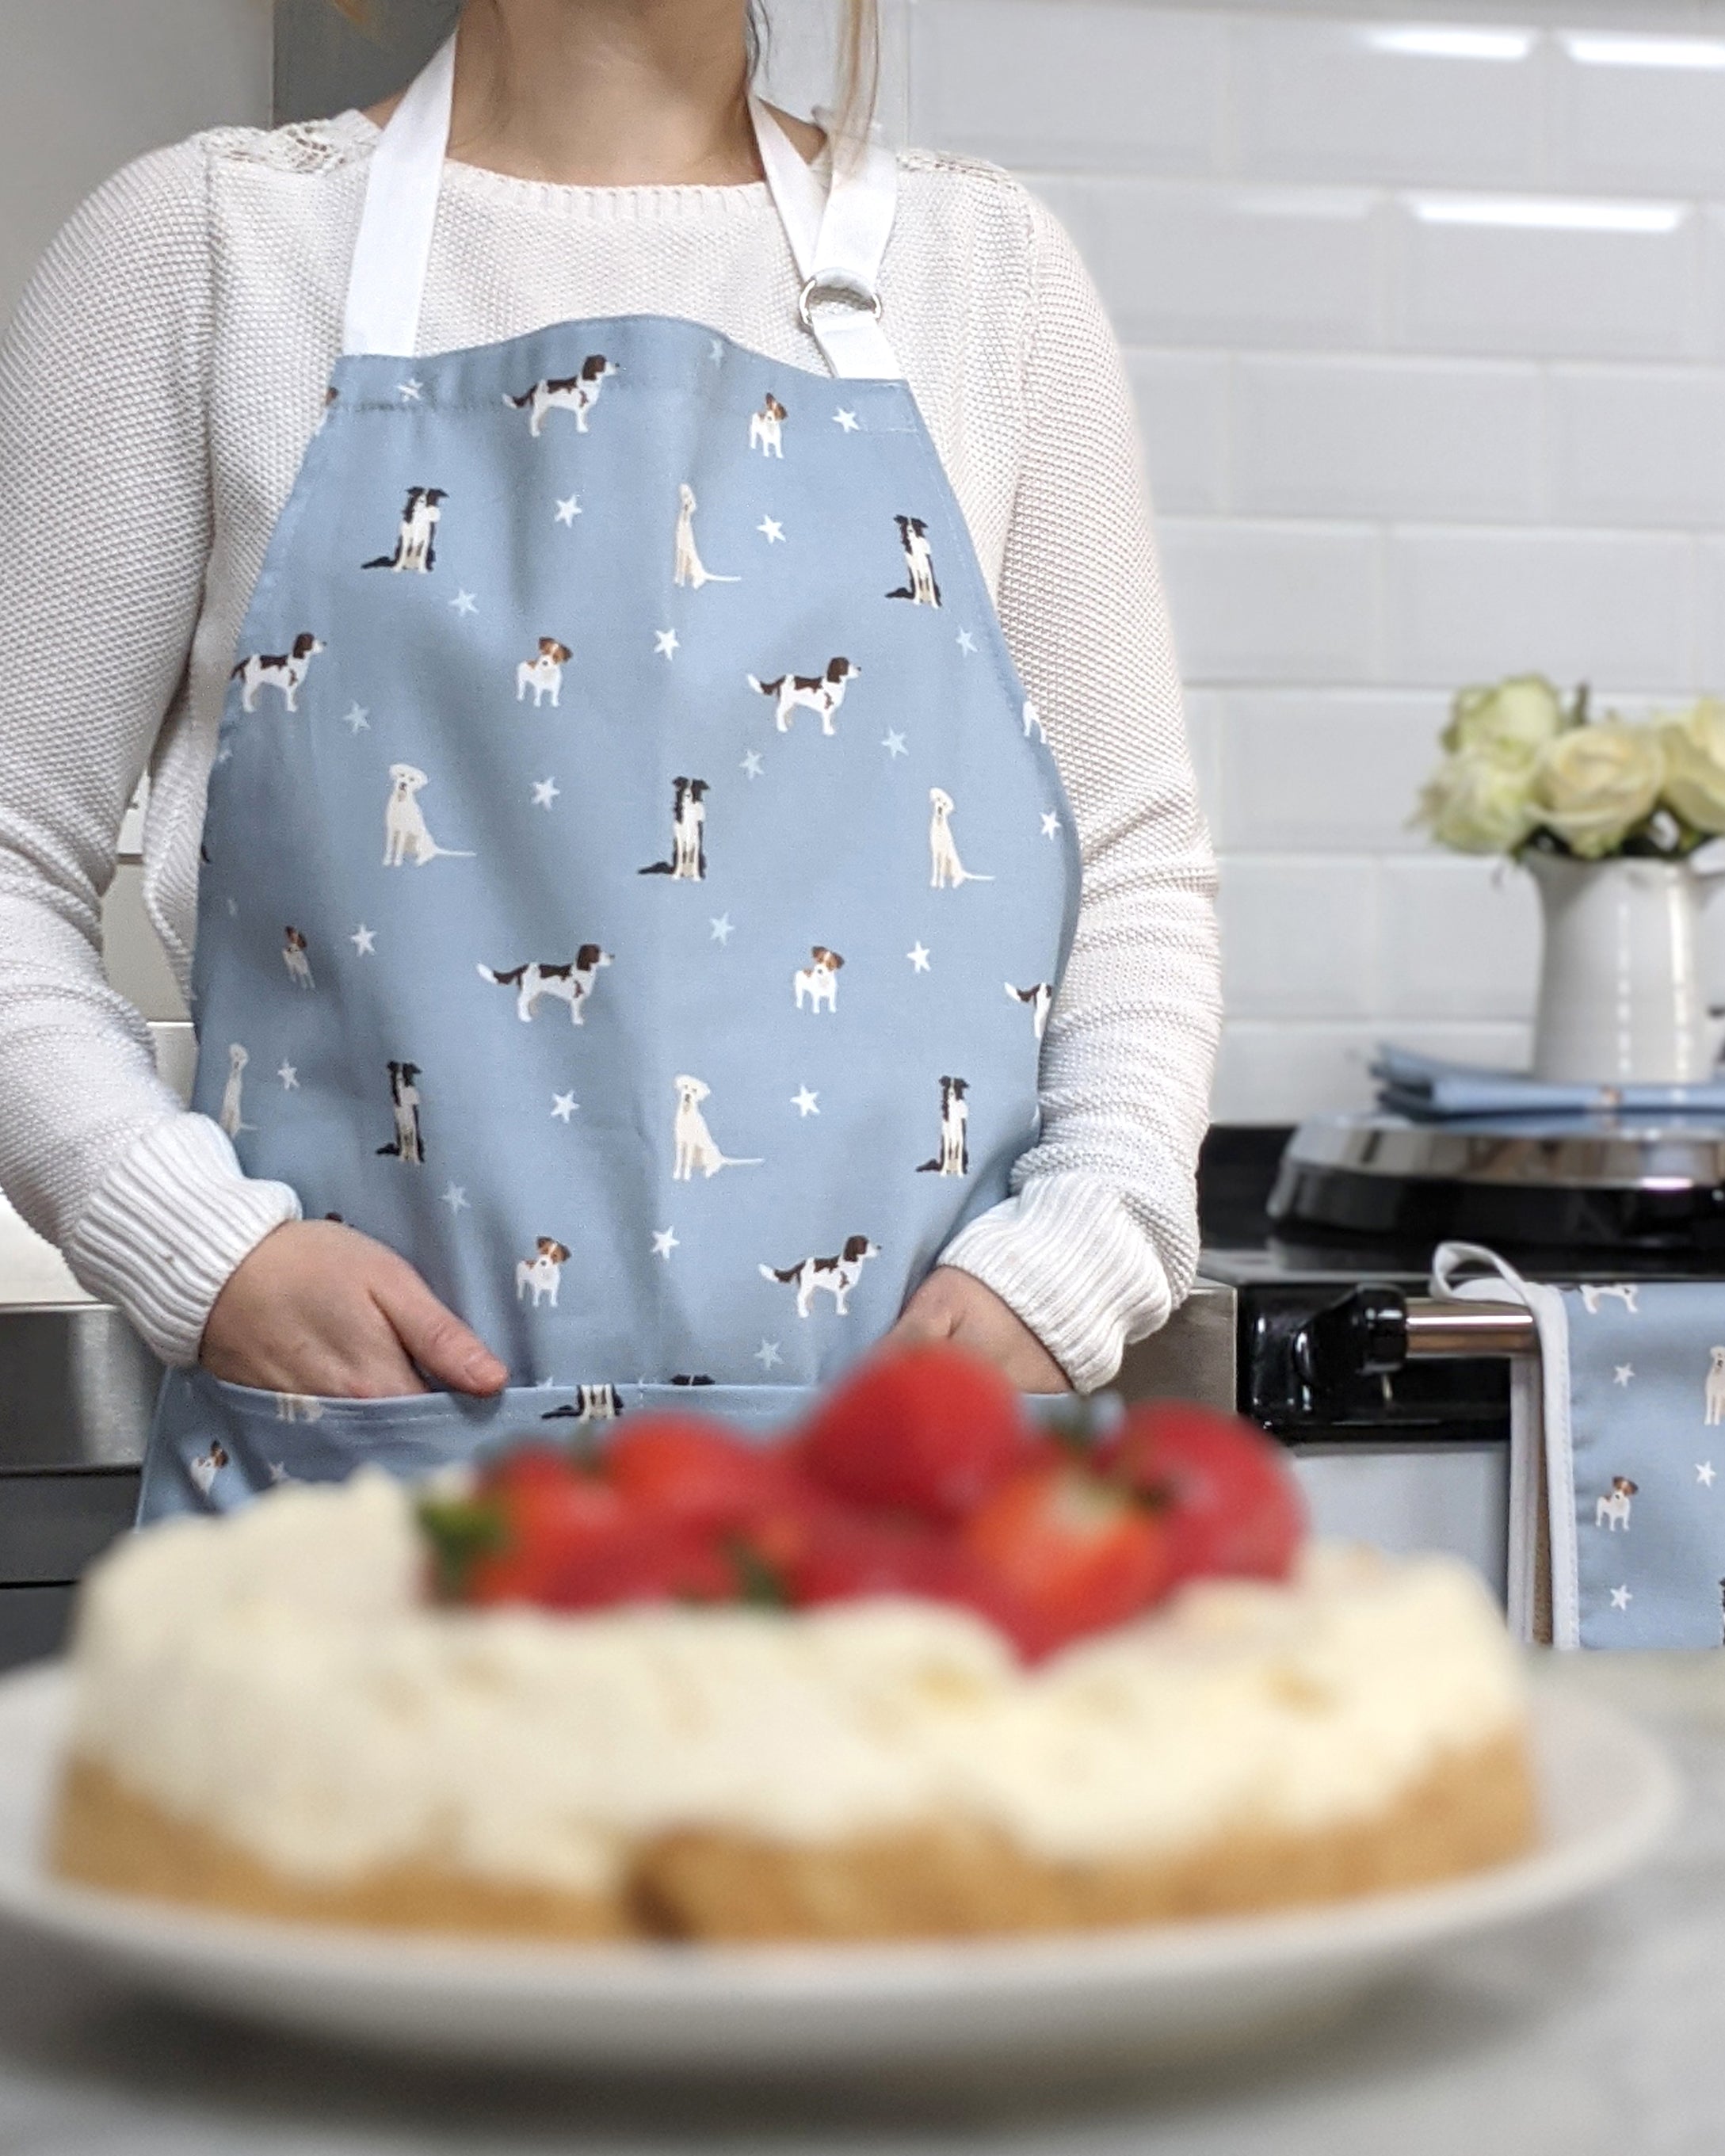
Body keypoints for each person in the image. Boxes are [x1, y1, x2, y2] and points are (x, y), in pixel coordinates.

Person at [0, 0, 1219, 1516]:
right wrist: (195, 1246)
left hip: (900, 1501)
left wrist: (1072, 1267)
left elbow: (1135, 868)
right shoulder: (206, 249)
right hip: (358, 1497)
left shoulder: (984, 275)